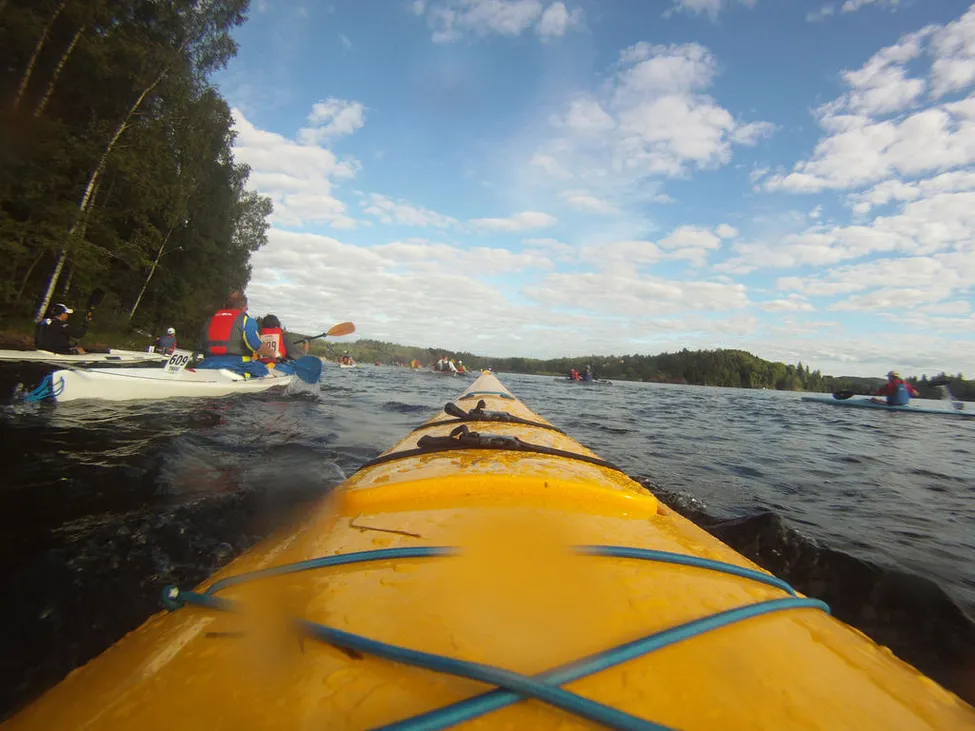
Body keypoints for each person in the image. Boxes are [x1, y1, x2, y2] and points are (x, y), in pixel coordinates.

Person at [196, 291, 272, 375]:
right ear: (243, 306)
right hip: (239, 365)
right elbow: (257, 346)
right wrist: (273, 354)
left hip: (208, 364)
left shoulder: (211, 320)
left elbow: (200, 346)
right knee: (265, 371)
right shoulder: (247, 320)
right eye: (246, 307)